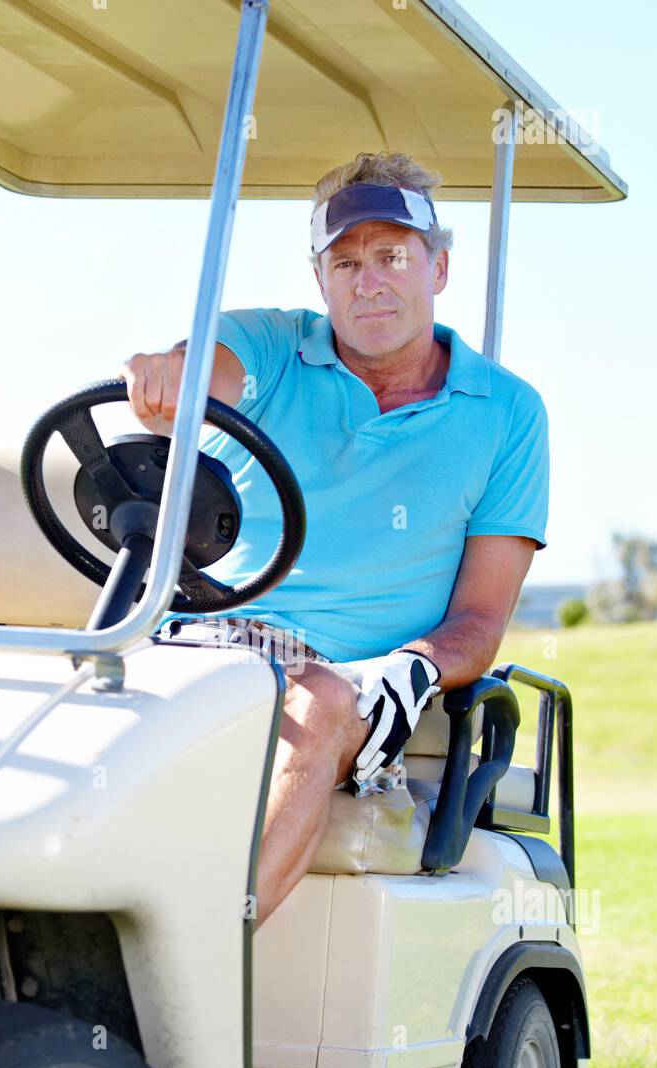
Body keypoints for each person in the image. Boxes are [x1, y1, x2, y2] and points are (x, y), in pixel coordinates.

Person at [119, 151, 548, 926]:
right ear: (320, 279)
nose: (367, 280)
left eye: (390, 256)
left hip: (359, 679)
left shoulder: (507, 411)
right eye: (344, 261)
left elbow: (480, 621)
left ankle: (197, 963)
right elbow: (201, 374)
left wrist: (410, 670)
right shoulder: (272, 344)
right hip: (210, 639)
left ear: (438, 267)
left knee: (315, 707)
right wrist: (165, 376)